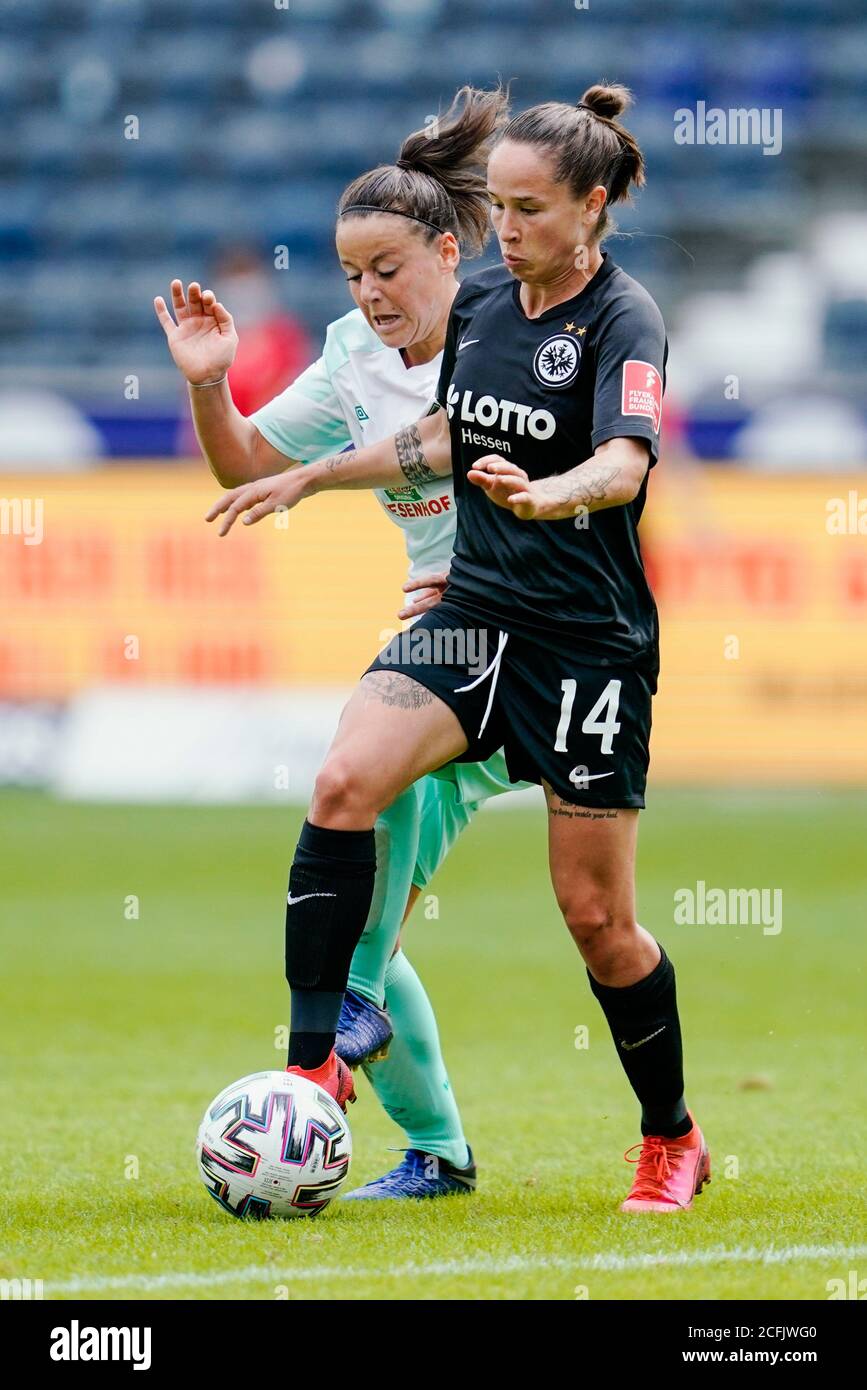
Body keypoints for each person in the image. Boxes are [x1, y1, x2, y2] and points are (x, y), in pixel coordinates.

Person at [207, 83, 711, 1215]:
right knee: (343, 779)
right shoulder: (484, 304)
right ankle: (307, 1070)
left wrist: (543, 501)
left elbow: (625, 463)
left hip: (588, 644)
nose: (511, 226)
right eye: (502, 205)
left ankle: (671, 1136)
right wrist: (312, 472)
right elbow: (438, 435)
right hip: (472, 614)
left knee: (598, 920)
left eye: (532, 208)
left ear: (593, 206)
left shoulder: (626, 319)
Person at [155, 86, 534, 1200]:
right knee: (370, 872)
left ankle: (315, 1055)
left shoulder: (516, 328)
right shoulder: (350, 360)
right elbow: (244, 465)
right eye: (351, 273)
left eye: (388, 269)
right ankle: (435, 1147)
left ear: (449, 250)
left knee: (370, 804)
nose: (370, 294)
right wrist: (211, 381)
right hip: (443, 635)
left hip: (535, 627)